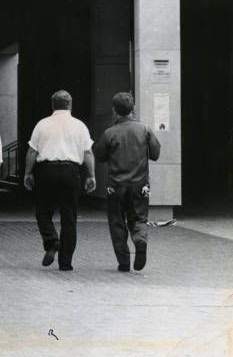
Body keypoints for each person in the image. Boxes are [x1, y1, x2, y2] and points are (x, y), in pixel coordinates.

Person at [24, 90, 96, 271]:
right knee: (69, 217)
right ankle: (66, 263)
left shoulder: (42, 124)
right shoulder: (80, 126)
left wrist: (28, 173)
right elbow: (87, 153)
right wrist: (91, 175)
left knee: (42, 211)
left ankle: (51, 241)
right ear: (70, 104)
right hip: (71, 172)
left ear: (52, 105)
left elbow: (32, 151)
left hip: (47, 171)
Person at [94, 92, 161, 272]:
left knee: (117, 221)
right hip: (140, 185)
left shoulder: (109, 133)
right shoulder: (145, 129)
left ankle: (123, 261)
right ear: (134, 109)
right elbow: (155, 154)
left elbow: (99, 155)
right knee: (139, 218)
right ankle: (140, 241)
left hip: (115, 185)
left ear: (115, 111)